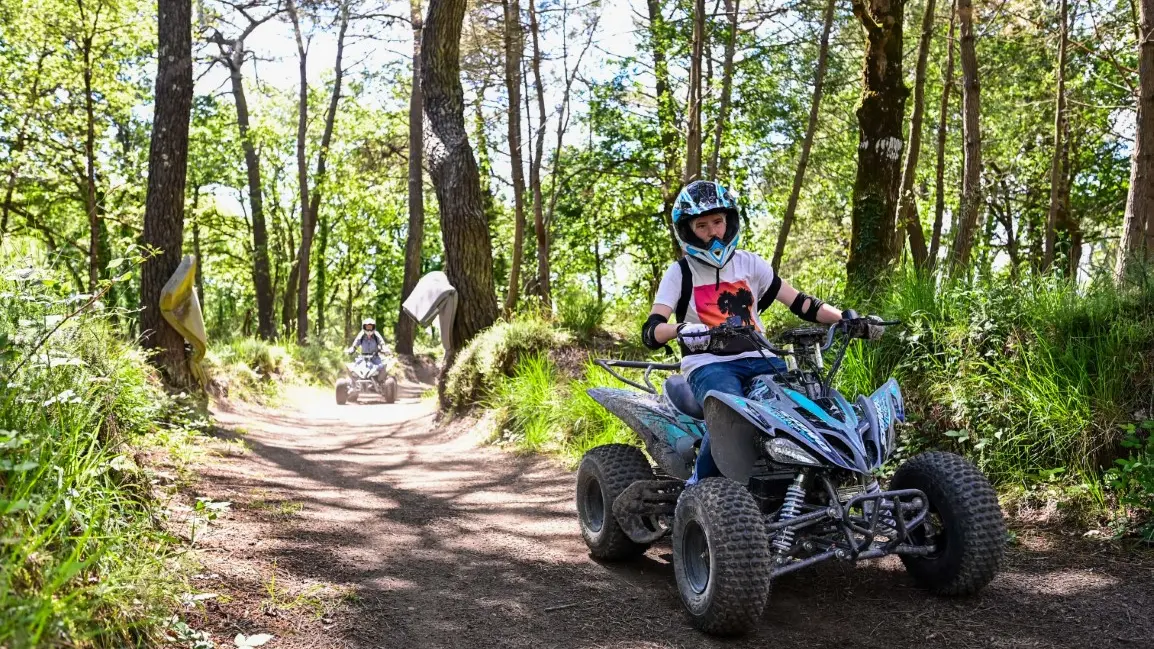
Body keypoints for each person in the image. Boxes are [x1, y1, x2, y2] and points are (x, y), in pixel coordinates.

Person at [640, 180, 859, 484]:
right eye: (702, 226)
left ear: (729, 221)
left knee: (809, 405)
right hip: (708, 364)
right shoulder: (681, 272)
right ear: (688, 231)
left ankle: (816, 482)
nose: (713, 232)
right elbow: (652, 331)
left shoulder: (749, 263)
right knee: (730, 417)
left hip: (763, 357)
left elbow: (801, 303)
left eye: (718, 222)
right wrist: (681, 329)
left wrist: (847, 319)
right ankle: (698, 490)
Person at [347, 318, 388, 383]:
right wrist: (352, 349)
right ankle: (353, 384)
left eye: (370, 327)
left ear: (373, 327)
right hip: (363, 358)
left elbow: (382, 343)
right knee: (353, 368)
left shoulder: (376, 335)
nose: (369, 329)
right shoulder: (362, 335)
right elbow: (356, 343)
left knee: (382, 367)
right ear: (364, 327)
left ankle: (381, 383)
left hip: (375, 358)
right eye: (367, 327)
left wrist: (385, 349)